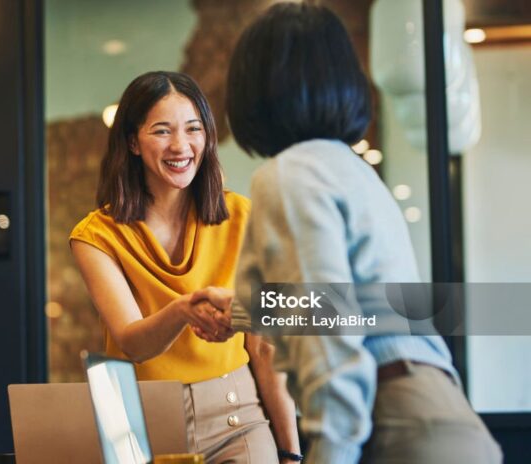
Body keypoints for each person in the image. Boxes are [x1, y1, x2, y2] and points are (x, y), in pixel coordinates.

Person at [191, 3, 503, 464]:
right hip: (437, 414)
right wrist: (243, 312)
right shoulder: (351, 171)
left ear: (256, 87)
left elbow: (331, 342)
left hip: (395, 422)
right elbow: (352, 304)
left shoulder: (289, 176)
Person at [70, 71, 300, 463]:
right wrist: (182, 310)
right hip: (139, 427)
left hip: (237, 418)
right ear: (132, 142)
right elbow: (132, 343)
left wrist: (292, 453)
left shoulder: (244, 217)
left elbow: (264, 348)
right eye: (161, 131)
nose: (181, 146)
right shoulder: (96, 236)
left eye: (193, 129)